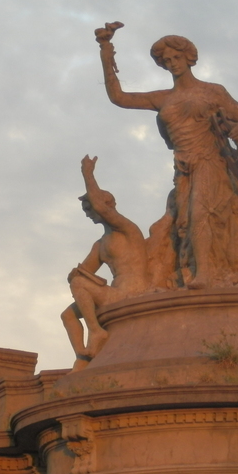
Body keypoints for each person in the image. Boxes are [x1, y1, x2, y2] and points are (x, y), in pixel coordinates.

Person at [95, 23, 238, 289]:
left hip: (211, 161)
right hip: (183, 168)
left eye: (176, 58)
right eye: (166, 60)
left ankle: (205, 274)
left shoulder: (212, 92)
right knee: (181, 220)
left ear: (188, 58)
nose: (172, 63)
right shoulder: (163, 98)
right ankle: (191, 270)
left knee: (199, 212)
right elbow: (119, 97)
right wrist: (105, 50)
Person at [62, 155, 150, 370]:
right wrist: (75, 274)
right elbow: (84, 272)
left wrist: (88, 175)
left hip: (134, 290)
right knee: (68, 315)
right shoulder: (100, 244)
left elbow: (102, 208)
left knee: (79, 285)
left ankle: (96, 331)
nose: (89, 215)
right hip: (114, 293)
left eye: (89, 210)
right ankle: (83, 356)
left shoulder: (128, 230)